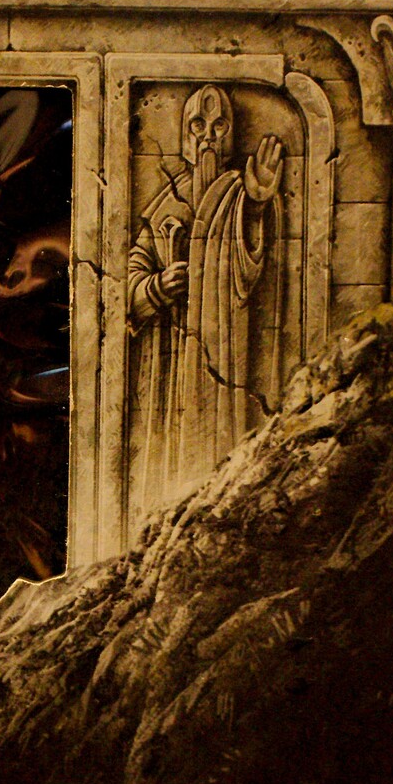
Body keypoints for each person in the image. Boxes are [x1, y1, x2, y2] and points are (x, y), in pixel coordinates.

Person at [128, 83, 285, 511]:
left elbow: (250, 269)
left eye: (219, 126)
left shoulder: (238, 190)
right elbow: (132, 277)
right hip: (170, 362)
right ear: (185, 134)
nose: (208, 137)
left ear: (231, 133)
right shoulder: (167, 201)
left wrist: (256, 202)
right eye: (198, 125)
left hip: (224, 350)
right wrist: (157, 287)